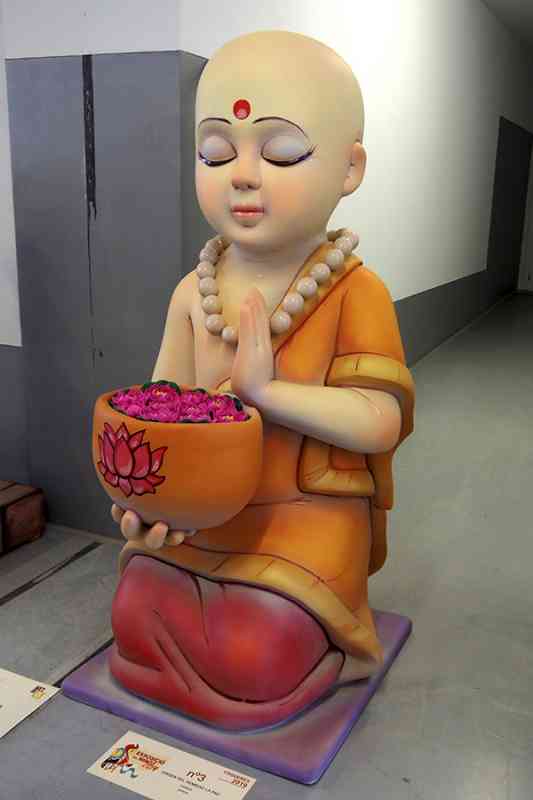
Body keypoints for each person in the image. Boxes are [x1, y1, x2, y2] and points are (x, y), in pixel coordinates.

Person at [110, 30, 415, 731]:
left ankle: (286, 661)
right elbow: (159, 415)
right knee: (132, 608)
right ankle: (222, 670)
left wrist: (268, 393)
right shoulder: (193, 292)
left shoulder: (355, 291)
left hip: (304, 519)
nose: (241, 176)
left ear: (349, 168)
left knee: (254, 647)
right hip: (206, 516)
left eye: (279, 152)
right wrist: (146, 501)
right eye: (216, 153)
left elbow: (380, 421)